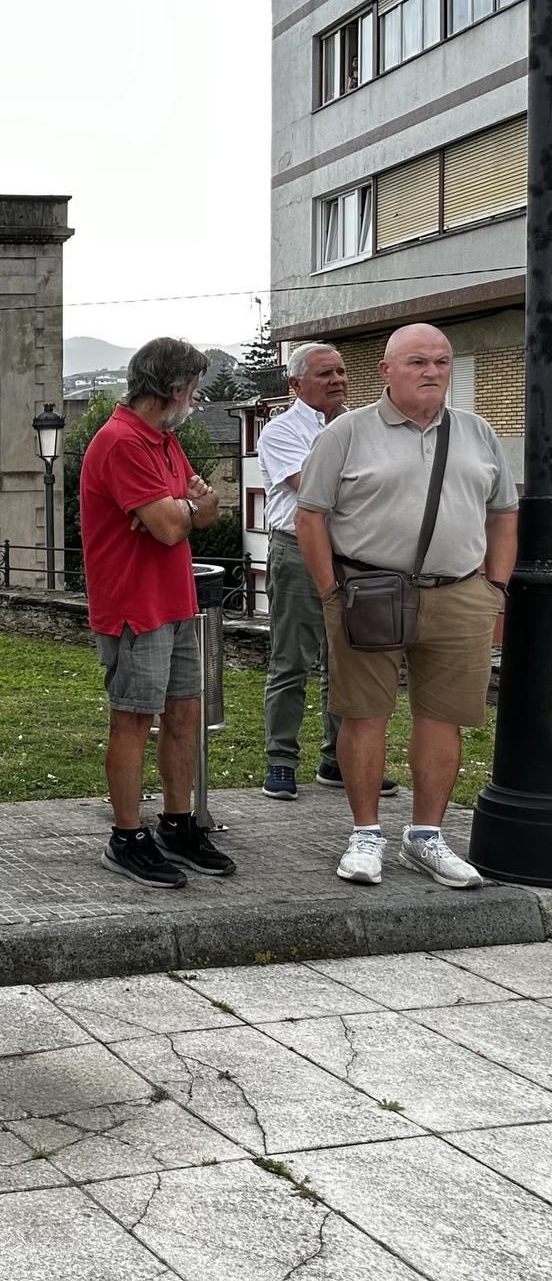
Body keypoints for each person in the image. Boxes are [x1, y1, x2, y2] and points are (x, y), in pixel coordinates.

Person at [296, 323, 516, 890]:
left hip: (461, 592)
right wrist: (330, 592)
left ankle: (426, 836)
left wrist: (495, 589)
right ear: (387, 371)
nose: (432, 372)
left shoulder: (478, 432)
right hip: (369, 592)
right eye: (418, 361)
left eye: (441, 362)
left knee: (444, 718)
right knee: (364, 713)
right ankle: (366, 833)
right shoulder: (346, 433)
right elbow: (311, 515)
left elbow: (503, 513)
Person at [78, 337, 236, 889]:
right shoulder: (122, 441)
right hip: (133, 604)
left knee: (184, 717)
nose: (195, 398)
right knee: (132, 720)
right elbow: (176, 523)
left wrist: (184, 509)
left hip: (175, 599)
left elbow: (202, 508)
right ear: (172, 390)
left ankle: (176, 823)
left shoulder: (163, 440)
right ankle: (126, 838)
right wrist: (185, 510)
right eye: (193, 388)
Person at [256, 344, 376, 800]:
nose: (338, 379)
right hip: (297, 550)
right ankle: (281, 760)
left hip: (352, 553)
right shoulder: (281, 431)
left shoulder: (362, 427)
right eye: (325, 373)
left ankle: (338, 761)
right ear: (296, 385)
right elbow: (310, 490)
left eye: (342, 371)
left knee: (346, 662)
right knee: (291, 661)